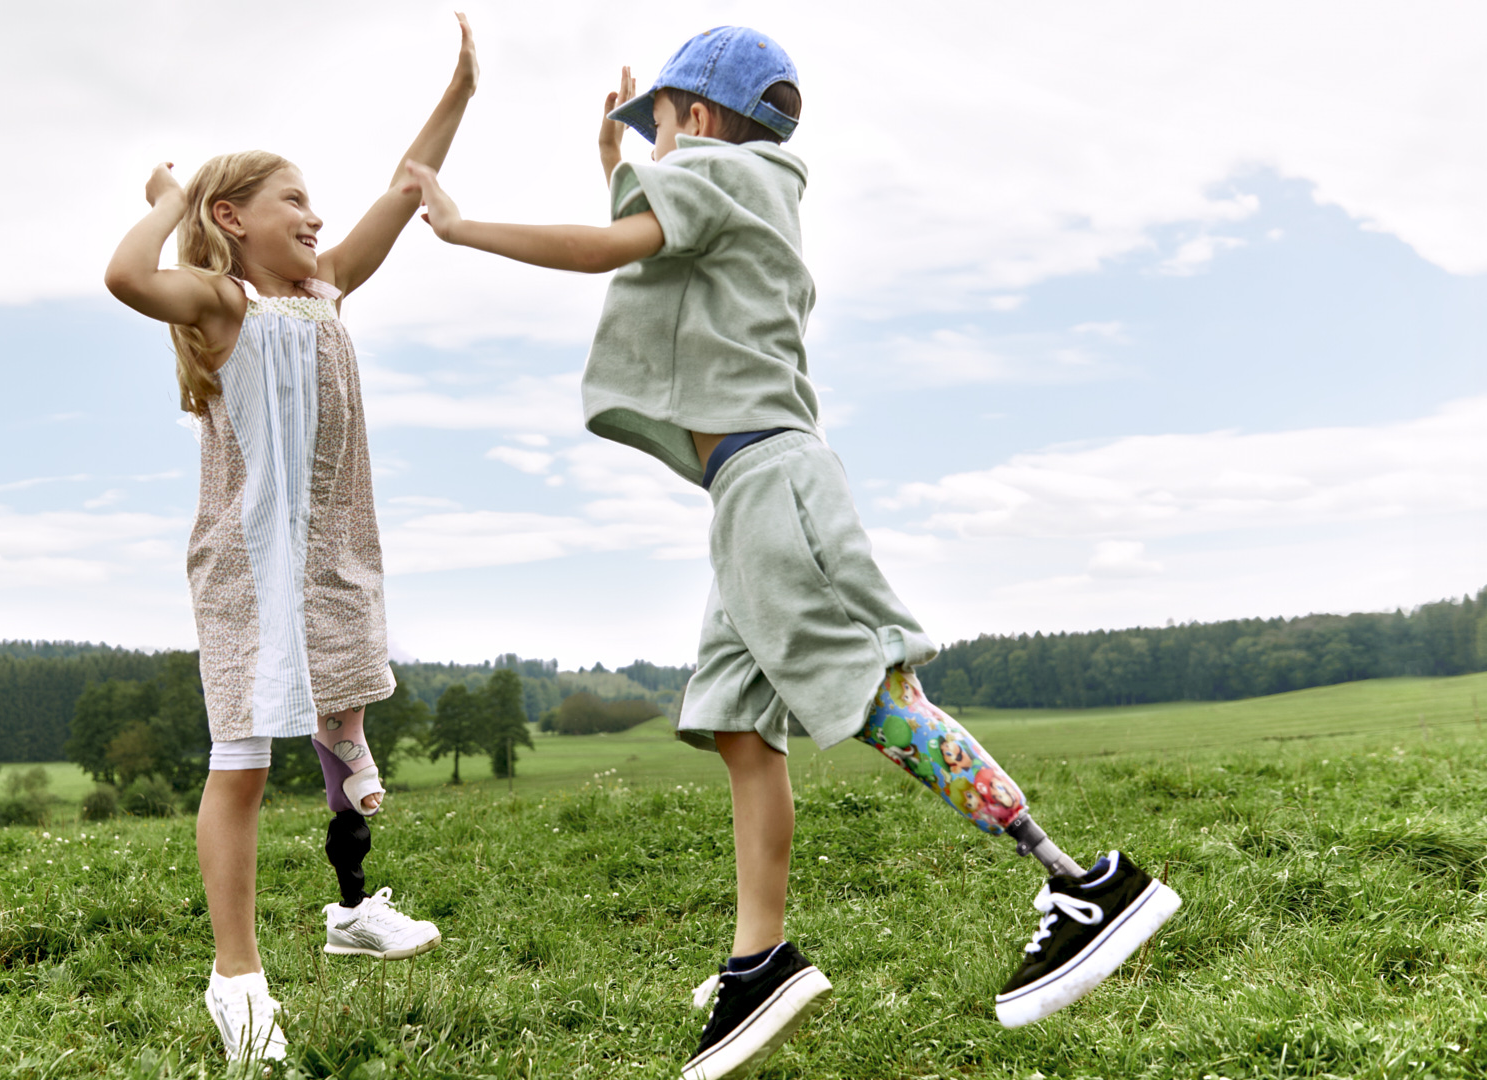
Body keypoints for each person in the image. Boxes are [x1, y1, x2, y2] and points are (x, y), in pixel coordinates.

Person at [402, 26, 1180, 1080]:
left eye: (663, 125)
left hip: (772, 485)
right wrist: (622, 167)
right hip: (747, 495)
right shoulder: (740, 183)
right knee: (734, 720)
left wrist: (463, 226)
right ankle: (760, 960)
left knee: (864, 690)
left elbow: (615, 247)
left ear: (707, 122)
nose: (655, 151)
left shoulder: (728, 174)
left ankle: (1085, 883)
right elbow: (655, 234)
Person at [103, 13, 478, 1067]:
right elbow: (127, 277)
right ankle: (238, 981)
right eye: (295, 199)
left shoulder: (325, 291)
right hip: (250, 567)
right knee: (244, 763)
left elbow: (407, 187)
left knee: (346, 718)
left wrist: (459, 94)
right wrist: (170, 198)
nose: (318, 216)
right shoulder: (224, 303)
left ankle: (353, 910)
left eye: (316, 200)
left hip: (336, 556)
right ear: (234, 217)